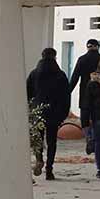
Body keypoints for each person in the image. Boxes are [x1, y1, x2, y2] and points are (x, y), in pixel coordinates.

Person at [27, 48, 71, 181]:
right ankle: (49, 170)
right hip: (54, 113)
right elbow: (66, 96)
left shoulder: (34, 74)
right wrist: (63, 114)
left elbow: (27, 93)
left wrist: (31, 109)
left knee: (38, 139)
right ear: (55, 57)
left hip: (38, 112)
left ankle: (39, 159)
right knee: (52, 142)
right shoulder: (60, 75)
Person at [70, 39, 100, 162]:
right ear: (97, 47)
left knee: (85, 119)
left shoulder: (82, 59)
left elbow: (74, 78)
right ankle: (95, 138)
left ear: (87, 47)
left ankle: (89, 137)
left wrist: (67, 92)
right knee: (97, 120)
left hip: (84, 95)